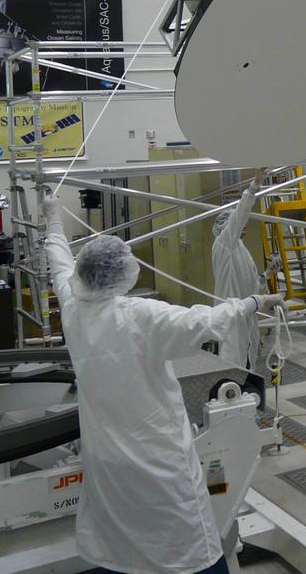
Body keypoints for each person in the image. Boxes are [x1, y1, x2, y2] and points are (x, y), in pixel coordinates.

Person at [41, 191, 283, 574]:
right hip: (159, 459)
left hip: (107, 461)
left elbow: (58, 263)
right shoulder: (140, 315)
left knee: (120, 547)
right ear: (123, 272)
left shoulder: (73, 310)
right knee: (190, 547)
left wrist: (53, 219)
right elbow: (203, 321)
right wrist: (254, 303)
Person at [211, 171, 278, 371]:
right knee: (231, 366)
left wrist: (267, 275)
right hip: (231, 316)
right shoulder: (224, 245)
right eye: (242, 226)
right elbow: (239, 216)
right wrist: (254, 187)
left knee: (249, 363)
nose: (245, 228)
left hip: (247, 314)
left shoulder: (240, 248)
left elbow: (250, 283)